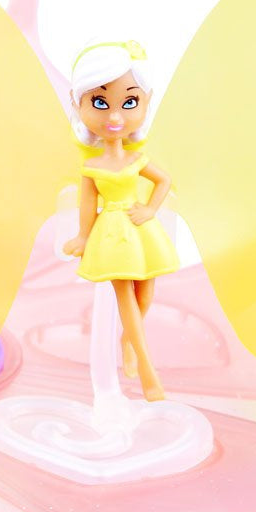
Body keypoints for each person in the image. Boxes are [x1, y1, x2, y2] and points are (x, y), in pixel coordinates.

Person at [62, 40, 179, 401]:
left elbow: (163, 181)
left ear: (145, 102)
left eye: (129, 103)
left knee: (146, 295)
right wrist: (83, 237)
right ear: (78, 104)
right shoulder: (91, 166)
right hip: (111, 237)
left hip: (140, 228)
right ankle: (148, 373)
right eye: (100, 103)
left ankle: (128, 340)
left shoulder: (136, 159)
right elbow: (87, 203)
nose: (114, 117)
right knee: (125, 298)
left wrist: (150, 210)